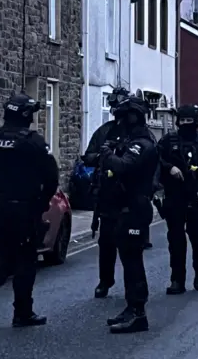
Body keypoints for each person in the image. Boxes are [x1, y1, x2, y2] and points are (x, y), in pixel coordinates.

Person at [0, 92, 59, 328]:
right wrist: (42, 201)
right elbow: (52, 177)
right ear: (25, 115)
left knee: (3, 253)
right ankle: (22, 312)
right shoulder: (34, 142)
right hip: (24, 208)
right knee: (25, 260)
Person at [96, 95, 158, 334]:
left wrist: (107, 155)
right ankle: (132, 307)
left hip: (136, 208)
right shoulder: (131, 140)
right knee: (127, 257)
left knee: (133, 260)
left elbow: (122, 166)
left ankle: (138, 312)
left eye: (123, 117)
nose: (119, 122)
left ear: (132, 118)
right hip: (125, 207)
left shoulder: (141, 144)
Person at [157, 104, 198, 295]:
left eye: (189, 121)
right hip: (174, 197)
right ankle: (177, 279)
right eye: (182, 121)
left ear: (196, 121)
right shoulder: (168, 141)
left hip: (196, 197)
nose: (186, 124)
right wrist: (169, 168)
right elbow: (154, 159)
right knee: (175, 241)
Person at [82, 86, 128, 299]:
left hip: (130, 194)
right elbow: (88, 156)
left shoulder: (137, 134)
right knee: (106, 241)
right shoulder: (105, 131)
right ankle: (105, 281)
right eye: (114, 107)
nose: (116, 112)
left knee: (130, 244)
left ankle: (133, 286)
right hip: (108, 194)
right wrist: (101, 157)